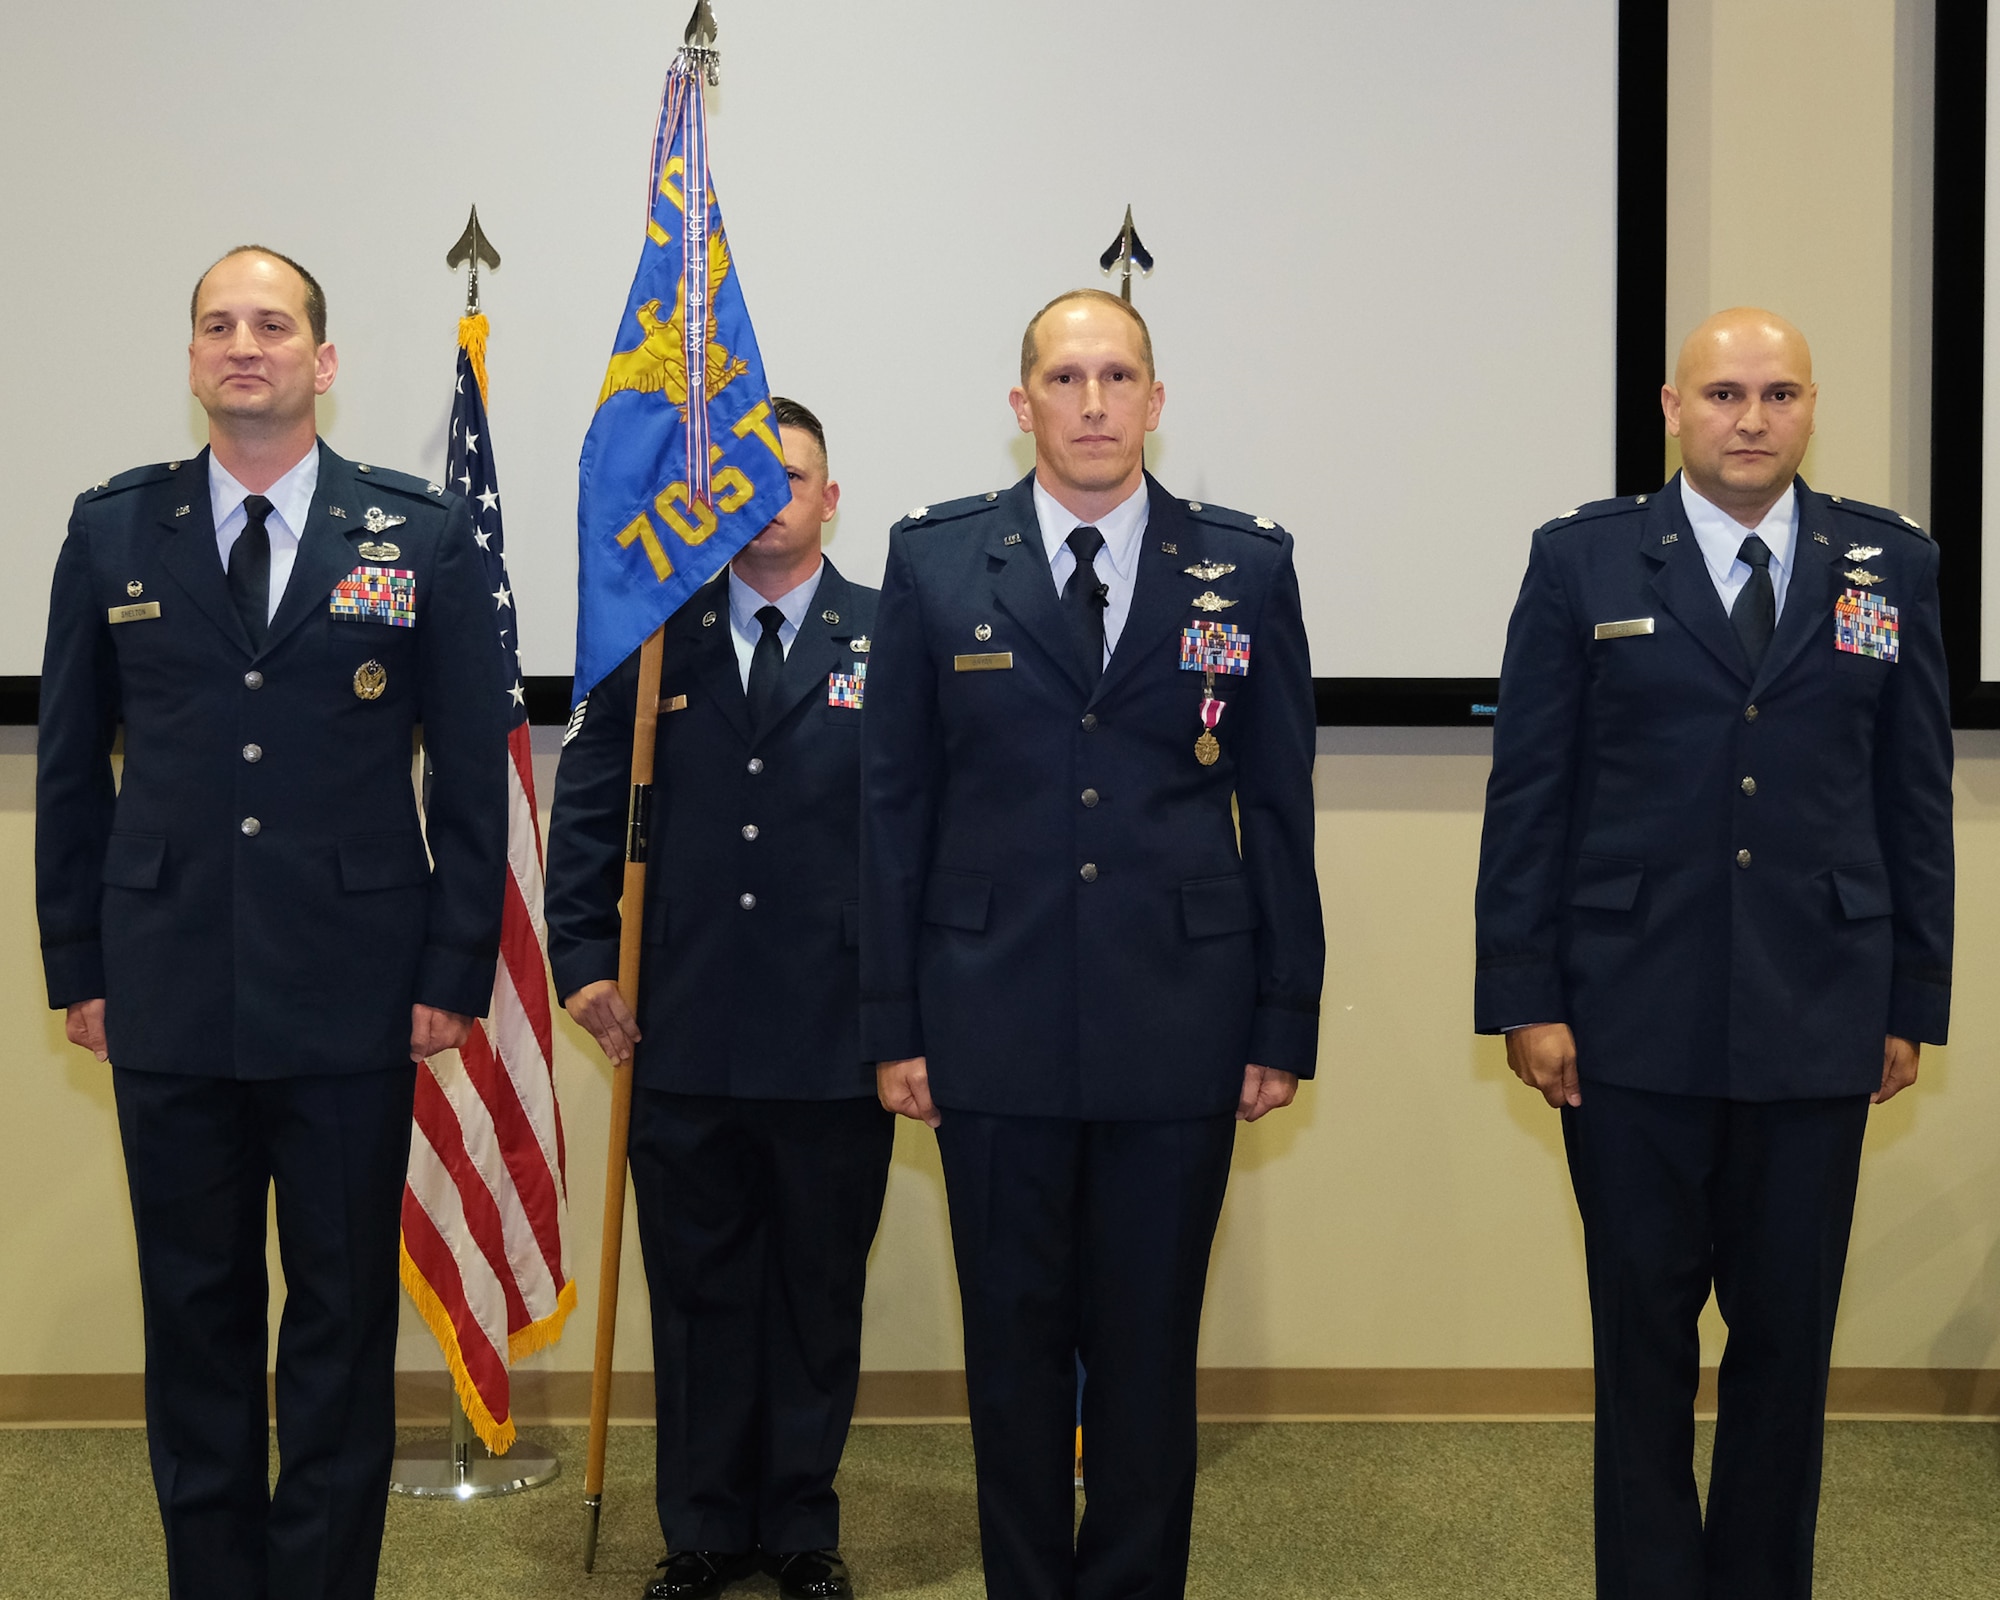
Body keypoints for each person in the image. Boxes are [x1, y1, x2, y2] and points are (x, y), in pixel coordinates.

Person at [35, 245, 508, 1599]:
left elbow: (474, 773)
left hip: (355, 991)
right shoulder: (114, 529)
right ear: (191, 360)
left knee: (341, 1328)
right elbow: (71, 768)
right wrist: (79, 960)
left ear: (325, 360)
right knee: (195, 1318)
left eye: (276, 324)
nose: (248, 345)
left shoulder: (417, 534)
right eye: (221, 326)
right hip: (165, 981)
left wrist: (452, 970)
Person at [1474, 307, 1953, 1598]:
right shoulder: (1584, 562)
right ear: (1673, 409)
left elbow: (1913, 797)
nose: (1753, 418)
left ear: (1810, 408)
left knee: (1788, 1341)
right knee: (1642, 1338)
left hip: (1820, 1009)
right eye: (1726, 394)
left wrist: (1912, 998)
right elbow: (1531, 793)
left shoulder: (1887, 564)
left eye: (1780, 393)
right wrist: (1525, 994)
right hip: (1627, 1013)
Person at [861, 290, 1324, 1600]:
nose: (1093, 405)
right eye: (1065, 380)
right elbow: (893, 809)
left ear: (1157, 401)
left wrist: (1282, 1014)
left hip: (1181, 1020)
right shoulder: (938, 563)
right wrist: (893, 1023)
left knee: (1145, 1356)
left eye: (1118, 377)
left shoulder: (1246, 567)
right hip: (985, 1021)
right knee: (1009, 1356)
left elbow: (1279, 804)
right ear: (1023, 408)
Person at [546, 398, 890, 1600]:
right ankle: (698, 1527)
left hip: (834, 1030)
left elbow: (927, 830)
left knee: (813, 1290)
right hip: (675, 1018)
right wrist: (583, 957)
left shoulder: (888, 637)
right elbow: (589, 801)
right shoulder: (653, 636)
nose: (771, 500)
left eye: (792, 479)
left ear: (829, 498)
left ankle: (798, 1525)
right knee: (694, 1291)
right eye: (746, 481)